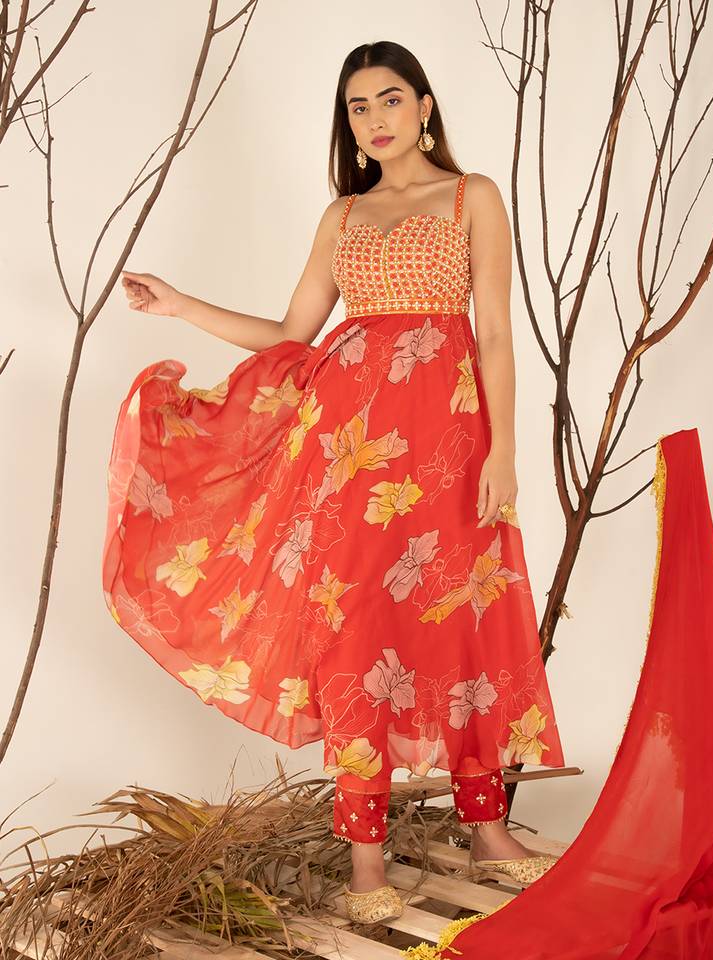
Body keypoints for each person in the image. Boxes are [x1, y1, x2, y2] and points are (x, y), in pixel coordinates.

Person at [105, 40, 565, 924]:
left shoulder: (472, 197)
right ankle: (364, 857)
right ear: (348, 125)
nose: (376, 118)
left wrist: (505, 449)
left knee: (467, 613)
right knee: (356, 629)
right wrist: (181, 304)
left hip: (450, 440)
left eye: (390, 99)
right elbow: (292, 333)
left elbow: (497, 333)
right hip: (349, 451)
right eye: (359, 107)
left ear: (424, 107)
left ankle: (487, 828)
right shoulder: (342, 216)